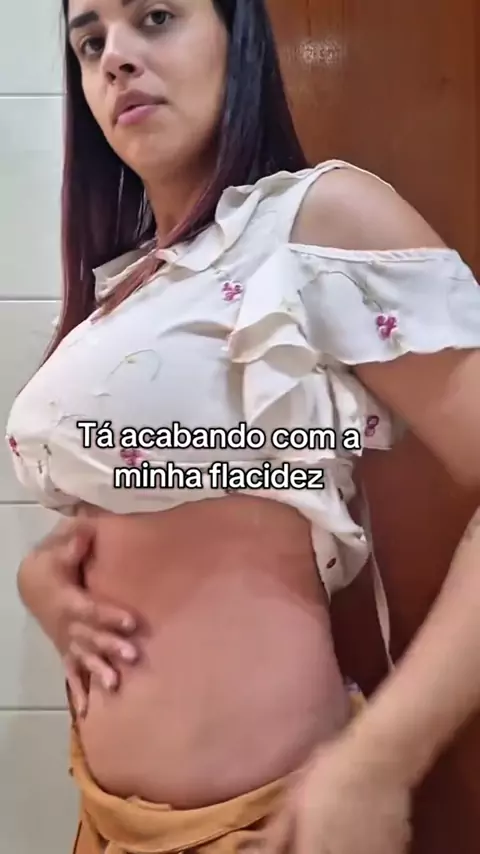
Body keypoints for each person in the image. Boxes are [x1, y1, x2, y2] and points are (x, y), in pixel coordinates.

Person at [6, 0, 480, 852]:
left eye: (156, 17)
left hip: (267, 823)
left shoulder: (314, 220)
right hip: (101, 817)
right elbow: (165, 500)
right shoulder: (126, 284)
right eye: (90, 40)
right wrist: (45, 574)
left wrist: (380, 760)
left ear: (240, 39)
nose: (114, 58)